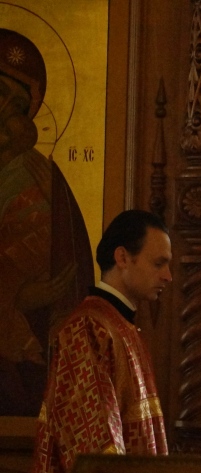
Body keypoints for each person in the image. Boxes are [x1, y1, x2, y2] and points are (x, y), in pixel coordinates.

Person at [31, 210, 172, 473]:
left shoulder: (122, 326)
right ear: (122, 258)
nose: (168, 276)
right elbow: (91, 440)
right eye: (159, 263)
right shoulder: (89, 327)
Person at [0, 28, 94, 416]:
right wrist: (15, 295)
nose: (6, 113)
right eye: (0, 95)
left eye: (19, 106)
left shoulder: (37, 181)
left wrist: (21, 299)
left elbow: (65, 278)